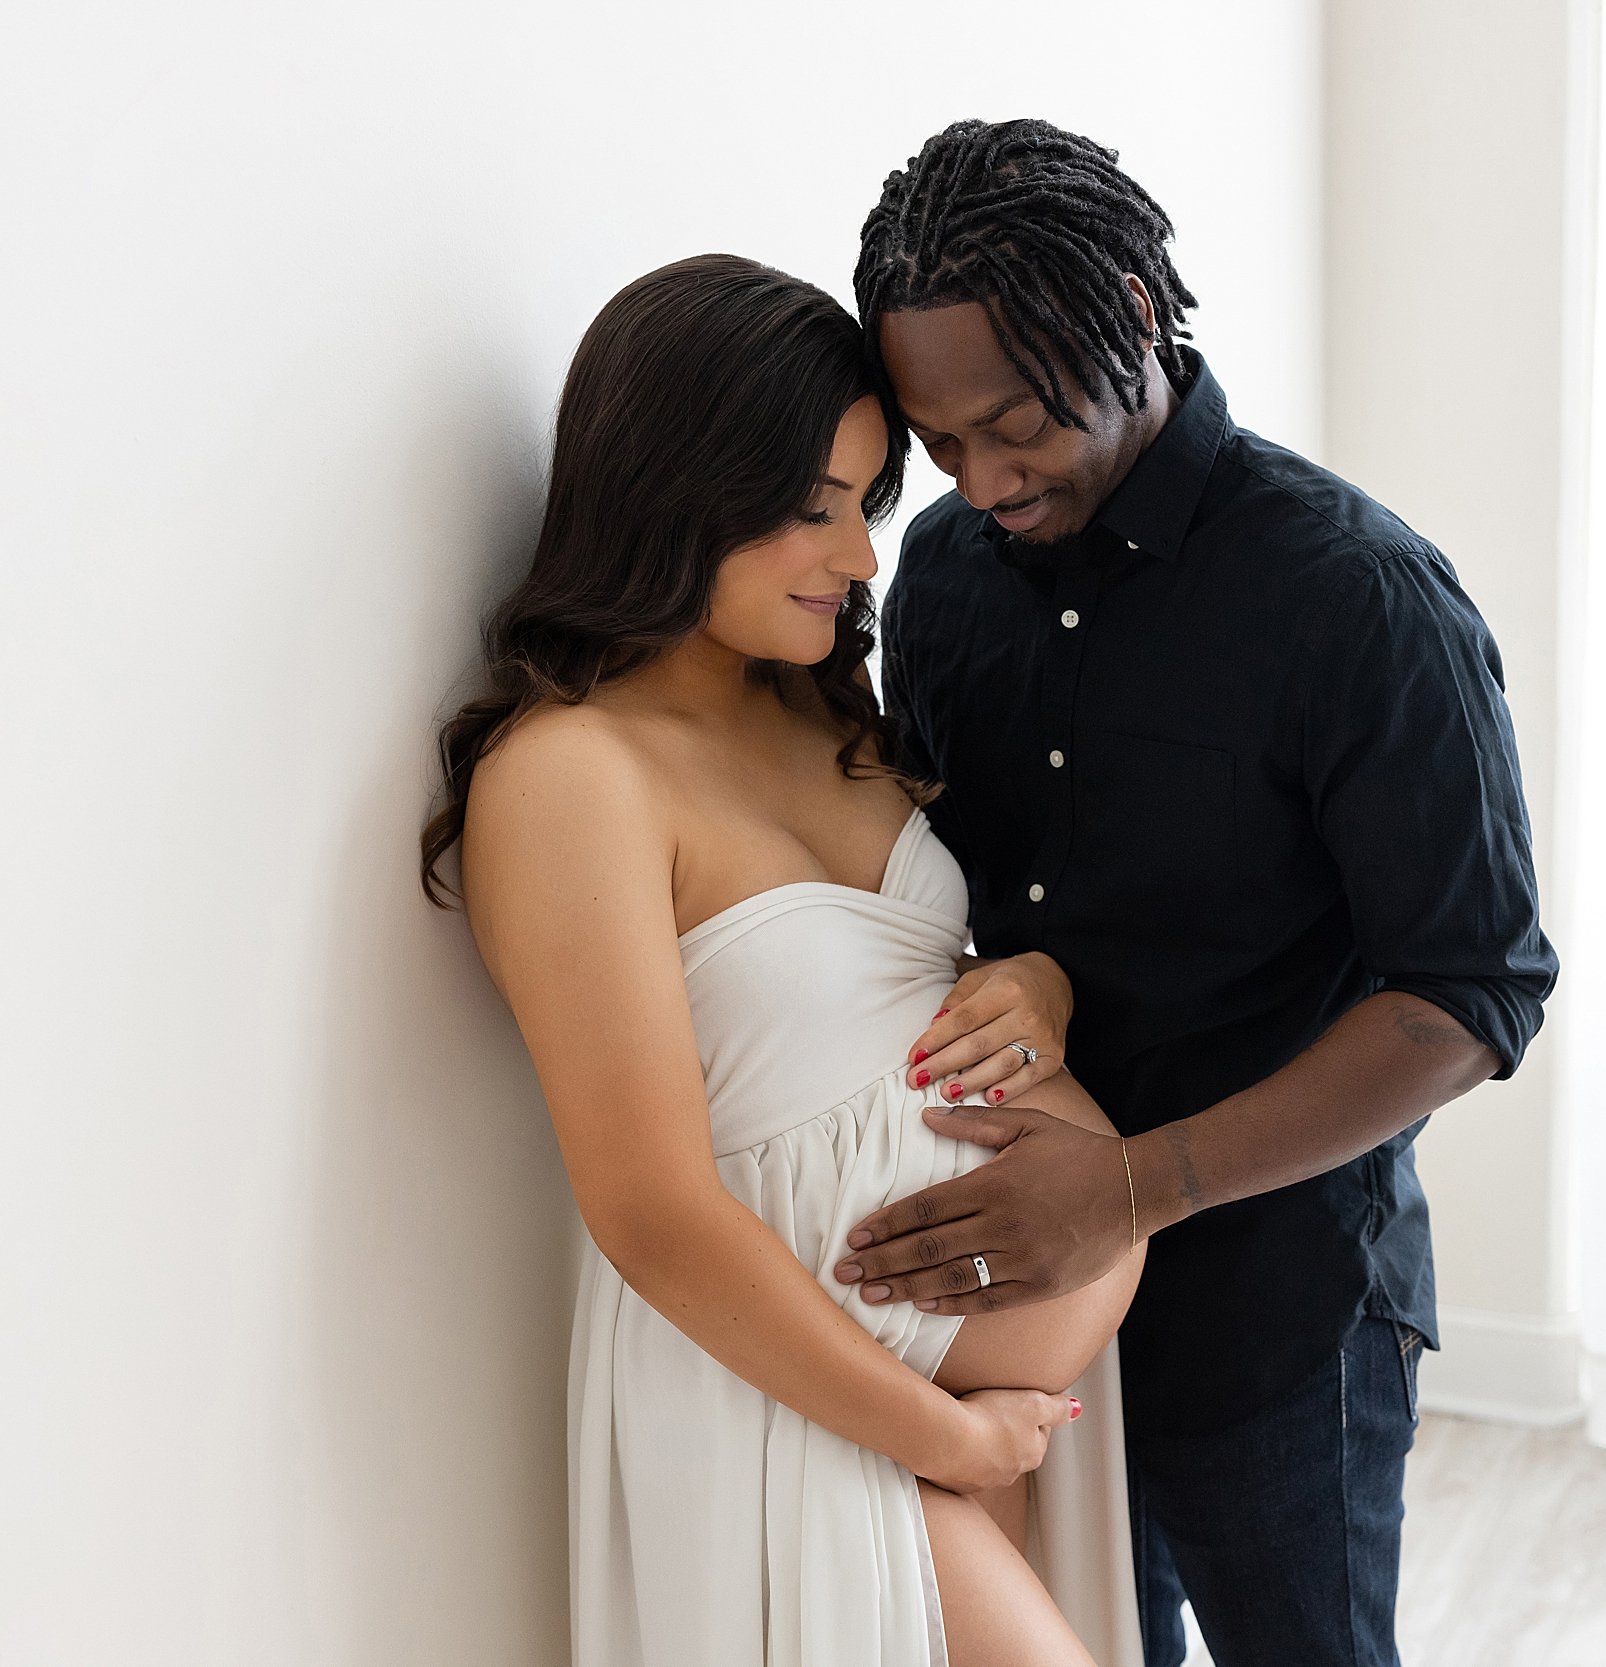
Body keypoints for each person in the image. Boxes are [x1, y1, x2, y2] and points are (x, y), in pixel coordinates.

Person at [838, 120, 1560, 1667]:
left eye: (1015, 421)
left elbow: (1472, 994)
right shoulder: (946, 579)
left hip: (1282, 1320)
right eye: (939, 444)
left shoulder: (1359, 599)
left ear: (1125, 298)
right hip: (1024, 1316)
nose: (979, 478)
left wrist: (1128, 1190)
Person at [419, 253, 1147, 1667]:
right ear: (675, 493)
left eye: (867, 505)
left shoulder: (823, 707)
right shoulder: (574, 778)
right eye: (815, 511)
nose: (865, 557)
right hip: (793, 1405)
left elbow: (888, 992)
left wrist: (1037, 983)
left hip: (943, 1414)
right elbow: (653, 1213)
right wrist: (946, 1429)